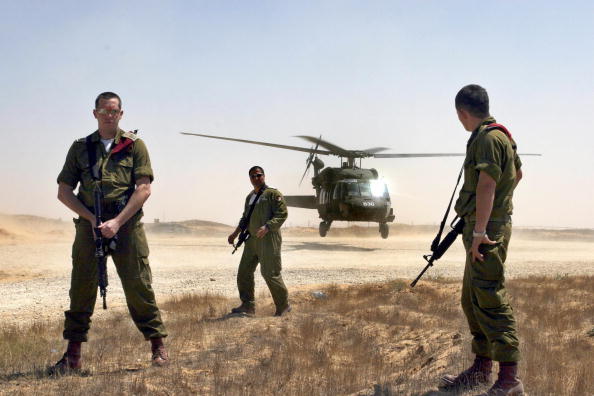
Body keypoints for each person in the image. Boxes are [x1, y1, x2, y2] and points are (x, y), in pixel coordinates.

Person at [53, 92, 168, 372]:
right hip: (89, 226)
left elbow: (144, 188)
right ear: (95, 113)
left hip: (126, 225)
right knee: (81, 287)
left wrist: (117, 221)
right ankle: (73, 356)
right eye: (103, 111)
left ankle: (158, 347)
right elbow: (64, 191)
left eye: (113, 111)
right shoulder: (80, 147)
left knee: (138, 283)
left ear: (121, 114)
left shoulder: (134, 145)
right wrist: (92, 219)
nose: (108, 115)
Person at [439, 84, 525, 395]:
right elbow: (516, 176)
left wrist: (481, 231)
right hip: (485, 224)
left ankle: (509, 379)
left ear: (462, 112)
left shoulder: (488, 138)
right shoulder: (501, 135)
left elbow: (487, 185)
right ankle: (481, 368)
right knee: (471, 298)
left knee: (489, 296)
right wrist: (498, 207)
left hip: (485, 230)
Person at [227, 166, 291, 316]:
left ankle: (283, 306)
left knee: (270, 273)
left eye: (258, 175)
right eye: (253, 176)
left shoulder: (273, 194)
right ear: (250, 179)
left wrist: (268, 227)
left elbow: (282, 214)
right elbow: (245, 218)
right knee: (244, 272)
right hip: (252, 240)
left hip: (269, 239)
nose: (256, 178)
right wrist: (235, 234)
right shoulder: (250, 197)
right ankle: (248, 305)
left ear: (264, 176)